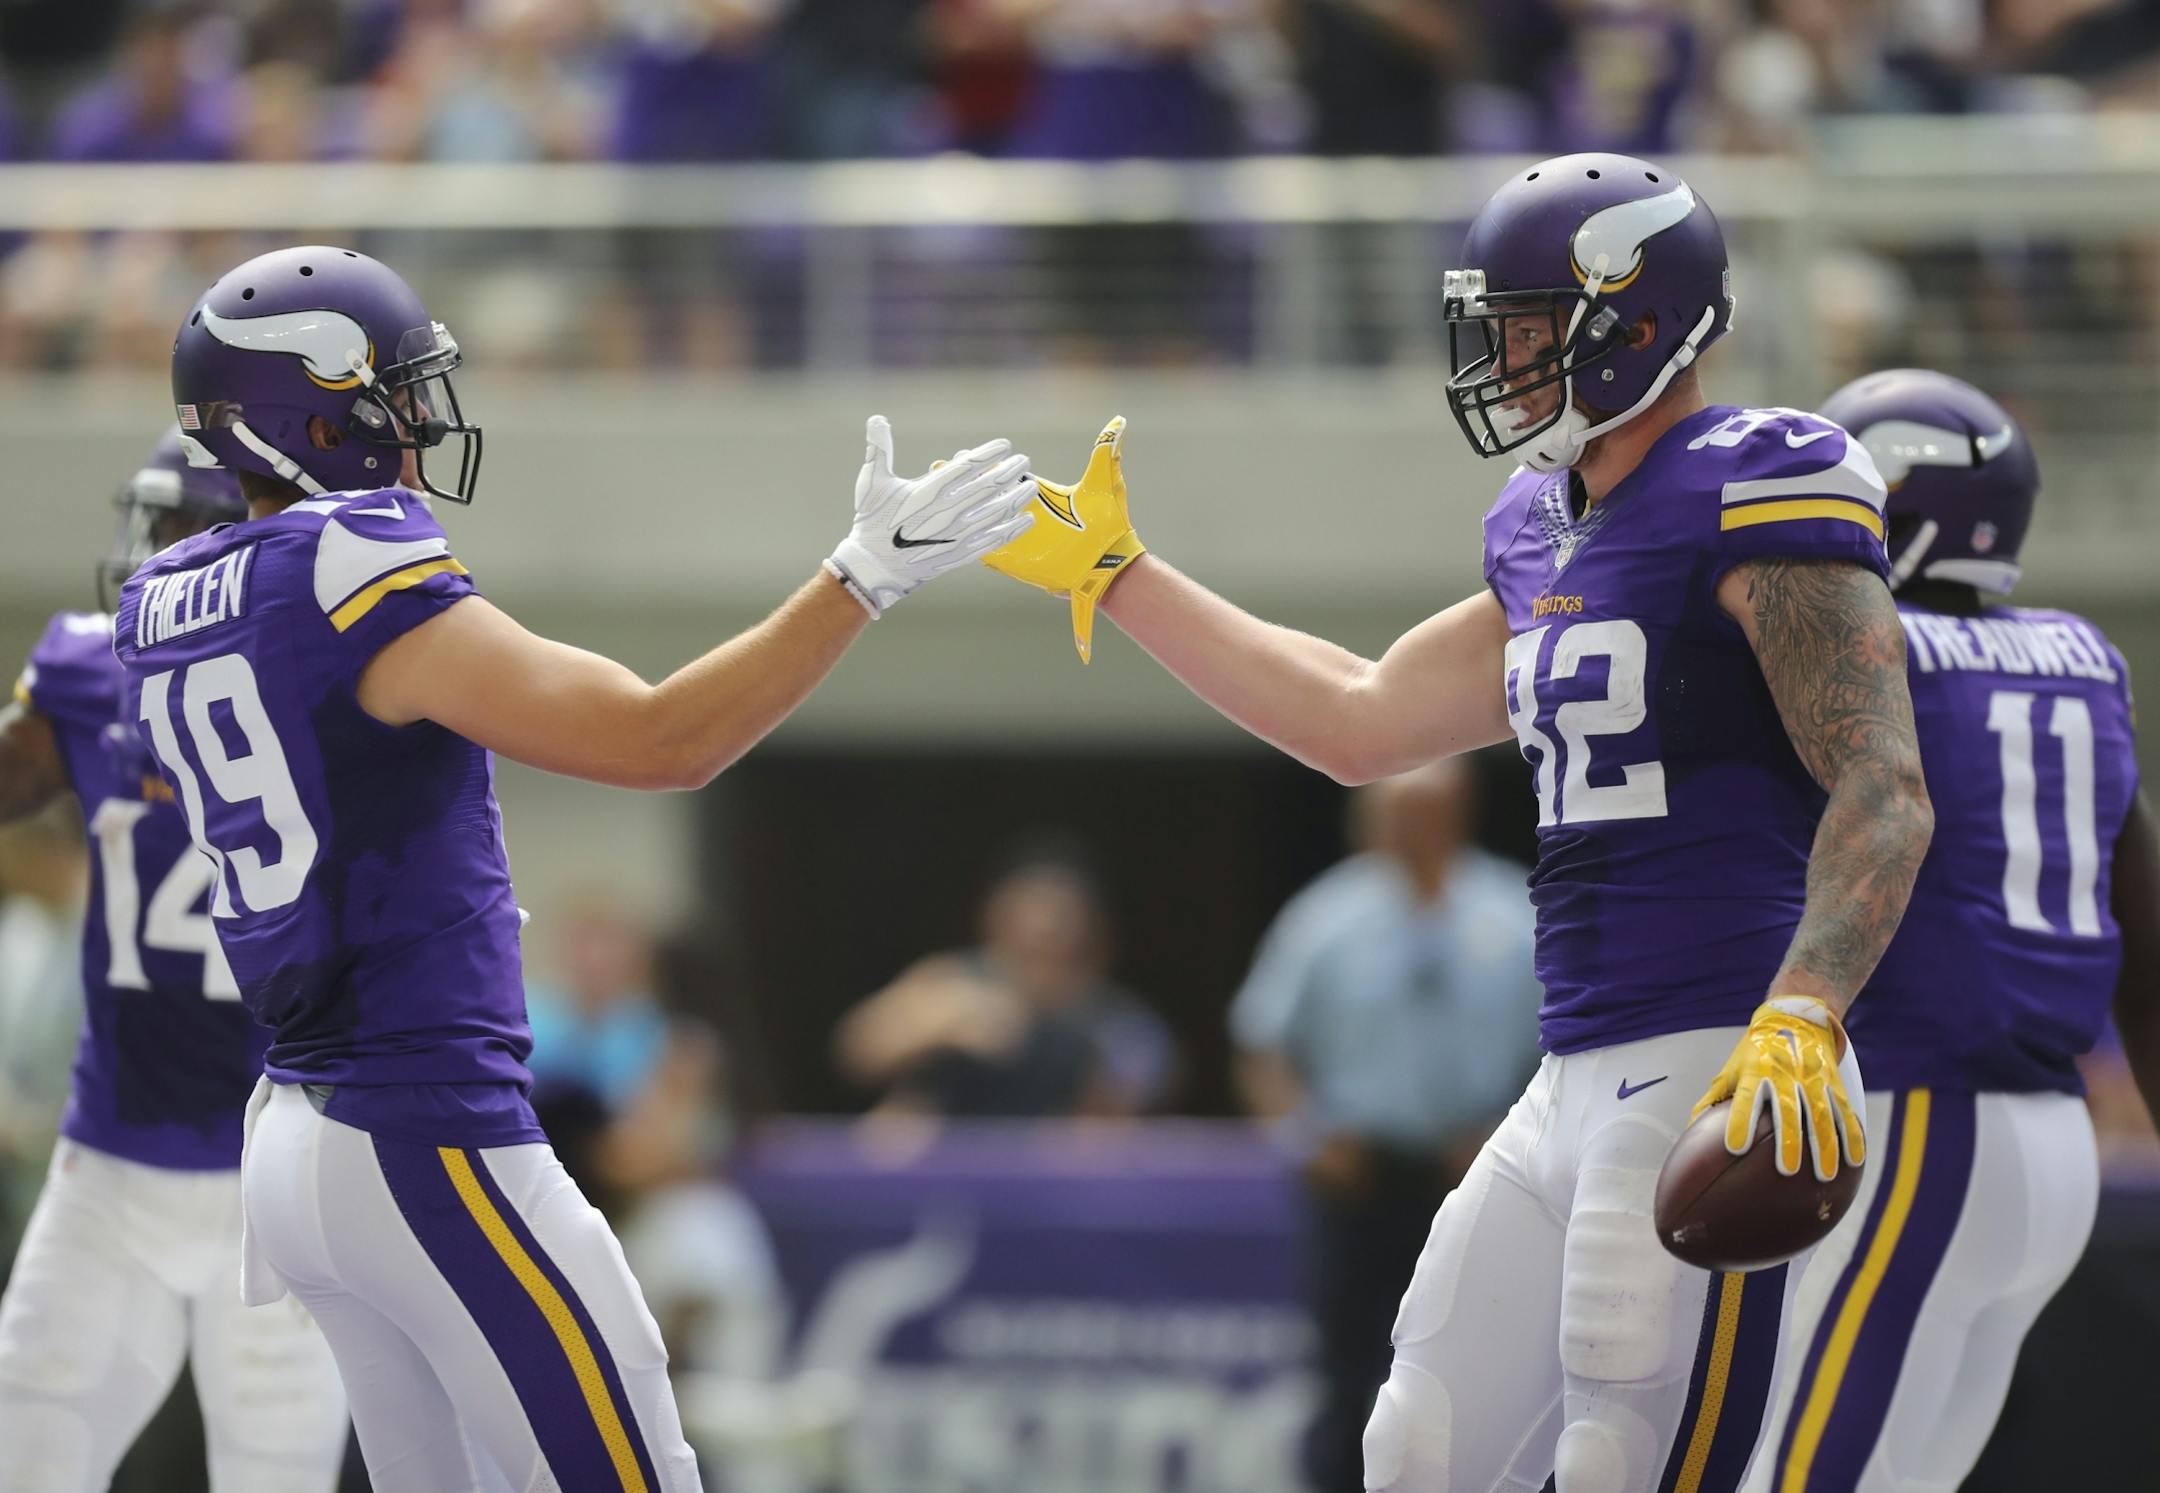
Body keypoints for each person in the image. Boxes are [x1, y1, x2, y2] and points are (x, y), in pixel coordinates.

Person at [983, 153, 1935, 1492]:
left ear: (1638, 322)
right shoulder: (1545, 526)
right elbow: (1358, 717)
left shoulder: (1760, 478)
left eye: (1533, 329)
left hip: (1720, 1042)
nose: (1508, 361)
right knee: (1414, 1444)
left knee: (1618, 1449)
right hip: (1570, 1066)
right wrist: (1124, 580)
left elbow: (1883, 785)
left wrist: (1807, 1010)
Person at [112, 245, 1036, 1492]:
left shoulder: (164, 597)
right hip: (423, 1124)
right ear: (302, 415)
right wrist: (857, 579)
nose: (420, 424)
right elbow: (662, 737)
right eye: (390, 396)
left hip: (298, 1136)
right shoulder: (347, 561)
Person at [1741, 369, 2158, 1492]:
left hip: (1924, 1116)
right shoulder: (2088, 660)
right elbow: (2146, 927)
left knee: (1798, 1475)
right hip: (2055, 1147)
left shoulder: (1890, 659)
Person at [0, 433, 349, 1493]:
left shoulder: (345, 685)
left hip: (283, 1175)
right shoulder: (87, 666)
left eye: (169, 524)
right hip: (113, 1158)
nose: (146, 548)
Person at [1230, 759, 1541, 1493]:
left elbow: (1561, 1044)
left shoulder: (1513, 913)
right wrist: (1304, 1134)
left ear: (1458, 814)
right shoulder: (1324, 920)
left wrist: (1512, 1131)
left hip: (1474, 1173)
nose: (1409, 830)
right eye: (1394, 815)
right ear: (1367, 821)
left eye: (1427, 813)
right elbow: (1260, 1042)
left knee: (1480, 1362)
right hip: (1358, 1177)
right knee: (1349, 1369)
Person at [836, 852, 1175, 1118]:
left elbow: (1144, 1086)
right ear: (996, 922)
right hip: (944, 1178)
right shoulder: (950, 981)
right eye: (1029, 927)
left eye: (1057, 934)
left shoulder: (1111, 1020)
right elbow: (855, 1051)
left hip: (1044, 1181)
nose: (1044, 935)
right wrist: (941, 1026)